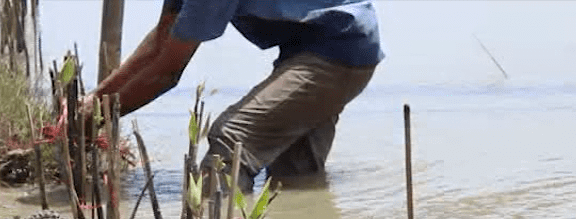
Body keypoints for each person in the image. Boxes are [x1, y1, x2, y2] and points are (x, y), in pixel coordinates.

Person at [82, 0, 384, 191]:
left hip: (339, 47)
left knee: (231, 140)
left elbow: (167, 71)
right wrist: (95, 99)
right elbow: (163, 39)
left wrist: (92, 117)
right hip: (321, 46)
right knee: (294, 174)